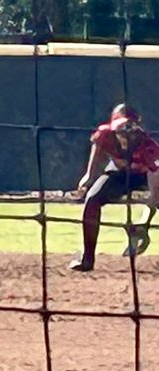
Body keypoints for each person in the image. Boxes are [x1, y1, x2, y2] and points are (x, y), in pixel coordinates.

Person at [70, 103, 159, 271]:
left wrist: (145, 220)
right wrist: (89, 175)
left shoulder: (150, 148)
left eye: (130, 129)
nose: (126, 135)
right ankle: (87, 259)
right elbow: (97, 146)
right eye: (121, 129)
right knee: (92, 200)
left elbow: (155, 183)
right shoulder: (105, 134)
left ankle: (141, 230)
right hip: (119, 173)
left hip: (145, 175)